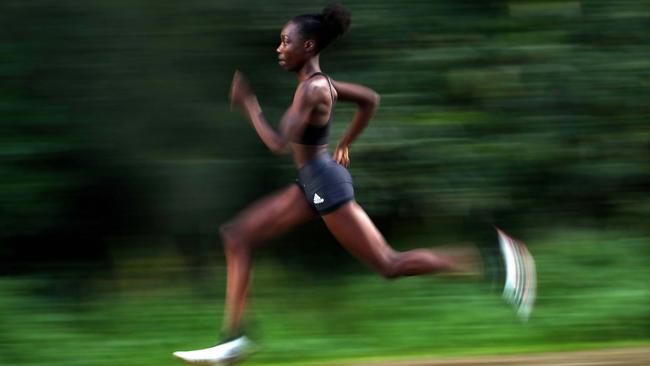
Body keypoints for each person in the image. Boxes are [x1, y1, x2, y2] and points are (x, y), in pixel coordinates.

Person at [173, 4, 534, 364]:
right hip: (312, 182)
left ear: (309, 47)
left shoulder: (311, 90)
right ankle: (235, 338)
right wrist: (345, 142)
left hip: (324, 185)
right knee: (237, 236)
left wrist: (249, 104)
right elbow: (369, 99)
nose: (279, 48)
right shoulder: (323, 84)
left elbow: (278, 143)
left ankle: (495, 259)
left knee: (390, 264)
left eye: (286, 42)